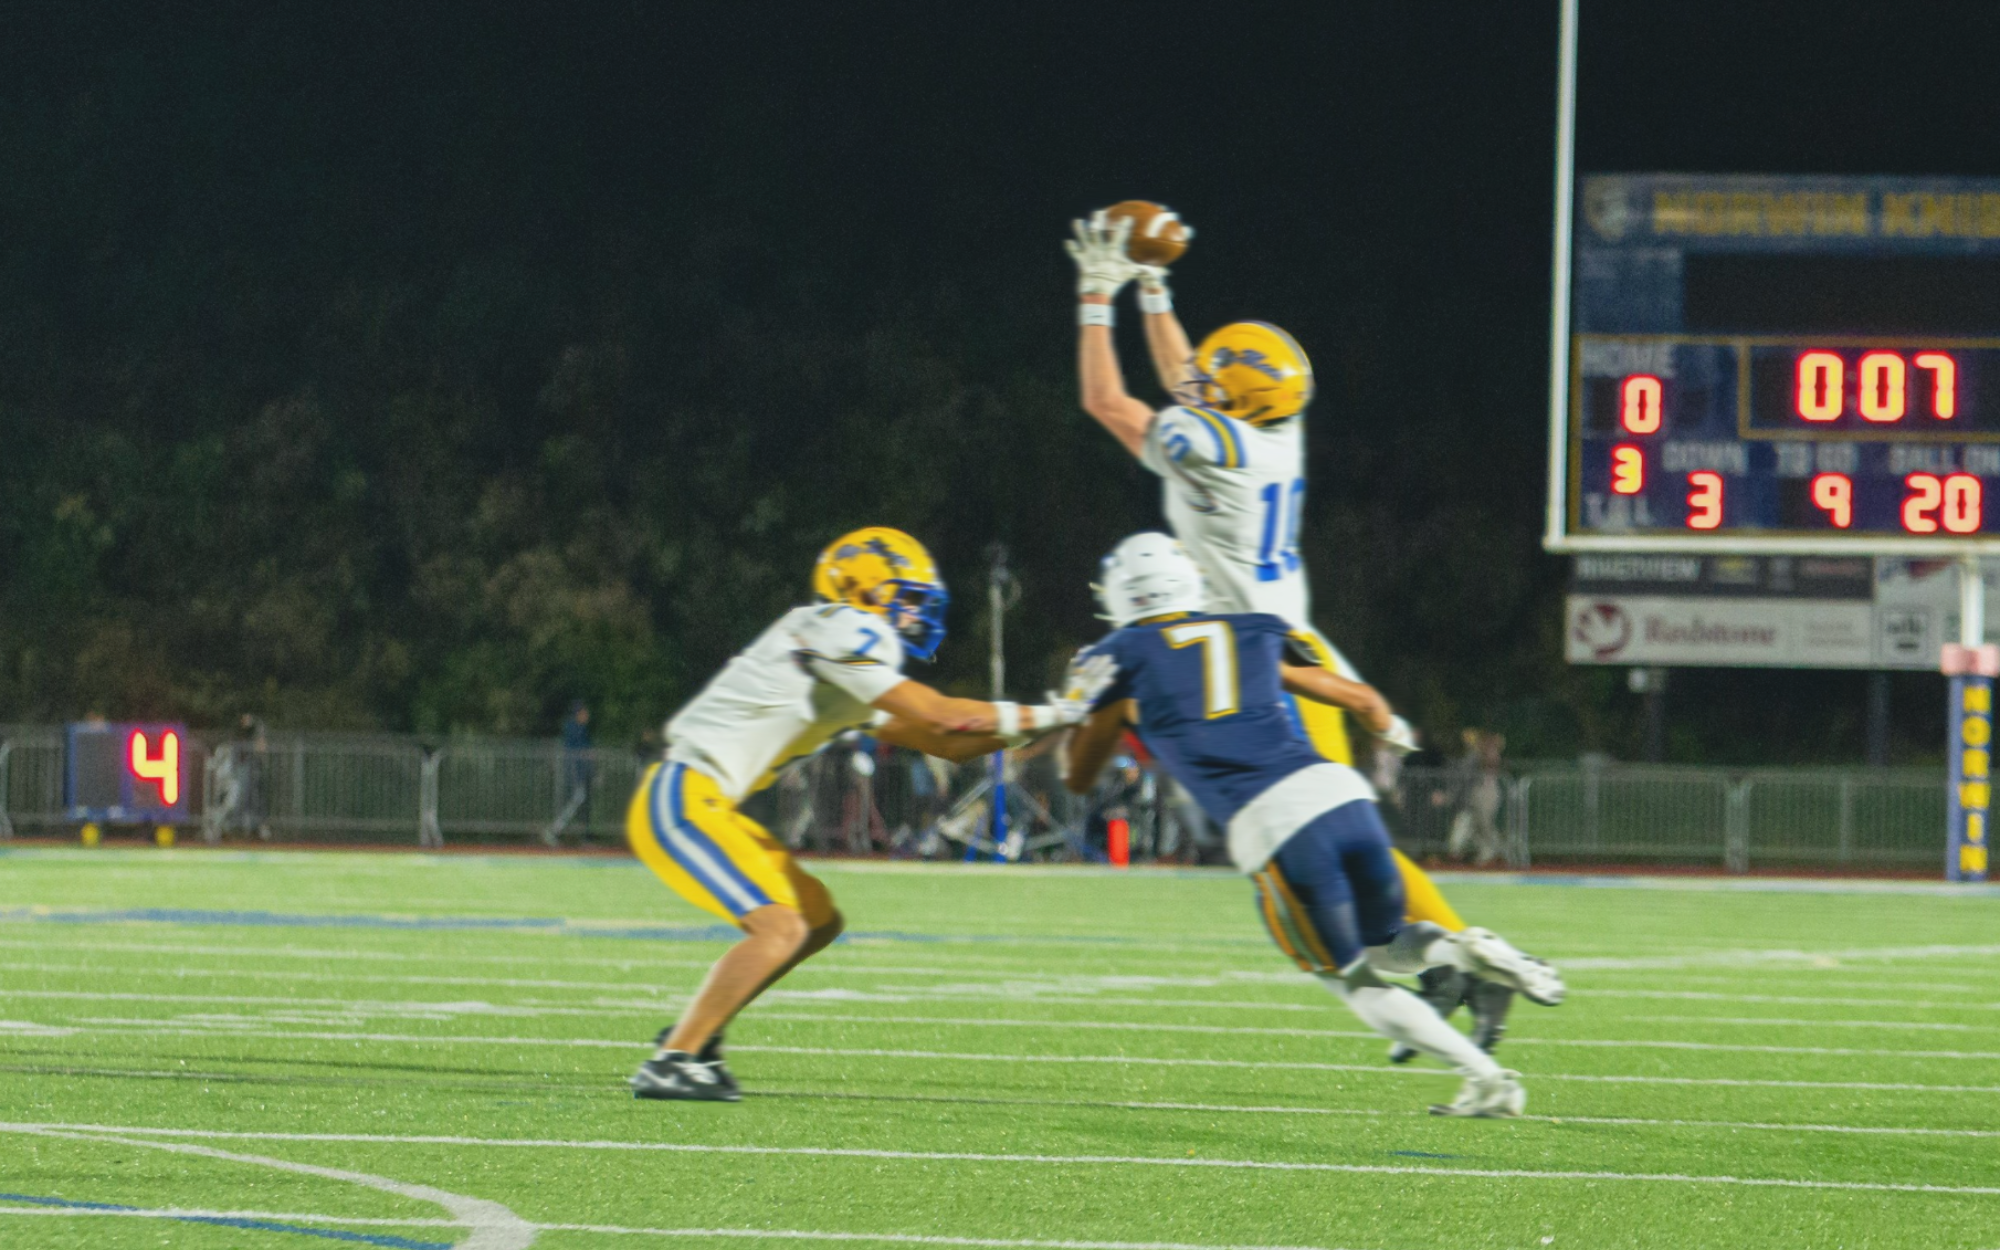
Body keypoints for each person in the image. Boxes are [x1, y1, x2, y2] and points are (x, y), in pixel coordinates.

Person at [1065, 210, 1528, 1056]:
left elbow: (1112, 400)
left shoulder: (1219, 452)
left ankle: (1466, 959)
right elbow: (1188, 379)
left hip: (1260, 653)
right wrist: (1158, 285)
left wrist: (1100, 294)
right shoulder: (1273, 428)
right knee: (1354, 836)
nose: (1196, 378)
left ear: (1227, 406)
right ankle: (1451, 963)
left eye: (1212, 382)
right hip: (1276, 639)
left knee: (1336, 840)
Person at [1060, 534, 1563, 1116]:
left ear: (1123, 595)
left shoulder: (1116, 656)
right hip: (1340, 795)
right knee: (1385, 946)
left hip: (1271, 821)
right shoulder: (1250, 629)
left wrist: (1085, 709)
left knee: (1348, 976)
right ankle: (1464, 949)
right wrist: (1391, 731)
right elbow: (1358, 698)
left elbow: (1078, 774)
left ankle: (1489, 1079)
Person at [627, 526, 1107, 1102]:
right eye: (906, 598)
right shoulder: (838, 626)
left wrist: (1062, 720)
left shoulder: (837, 657)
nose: (915, 614)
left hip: (711, 801)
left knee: (817, 919)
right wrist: (1060, 707)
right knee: (780, 928)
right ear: (865, 590)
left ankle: (696, 1029)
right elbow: (946, 719)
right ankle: (675, 1058)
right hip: (682, 795)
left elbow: (946, 743)